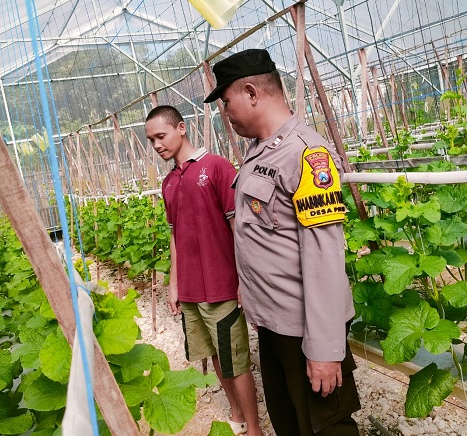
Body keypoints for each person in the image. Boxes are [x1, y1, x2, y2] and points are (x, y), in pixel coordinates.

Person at [204, 49, 361, 435]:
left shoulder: (306, 154)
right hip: (273, 322)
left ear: (252, 92)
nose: (226, 113)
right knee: (289, 420)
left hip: (304, 327)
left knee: (325, 425)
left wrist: (325, 350)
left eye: (226, 103)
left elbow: (324, 259)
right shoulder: (258, 152)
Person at [145, 105, 262, 436]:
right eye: (151, 140)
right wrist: (173, 285)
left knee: (235, 361)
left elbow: (239, 226)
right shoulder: (169, 182)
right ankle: (237, 417)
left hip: (222, 286)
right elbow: (175, 235)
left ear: (181, 128)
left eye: (161, 136)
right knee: (212, 356)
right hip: (191, 291)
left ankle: (254, 429)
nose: (157, 145)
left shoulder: (217, 167)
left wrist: (244, 278)